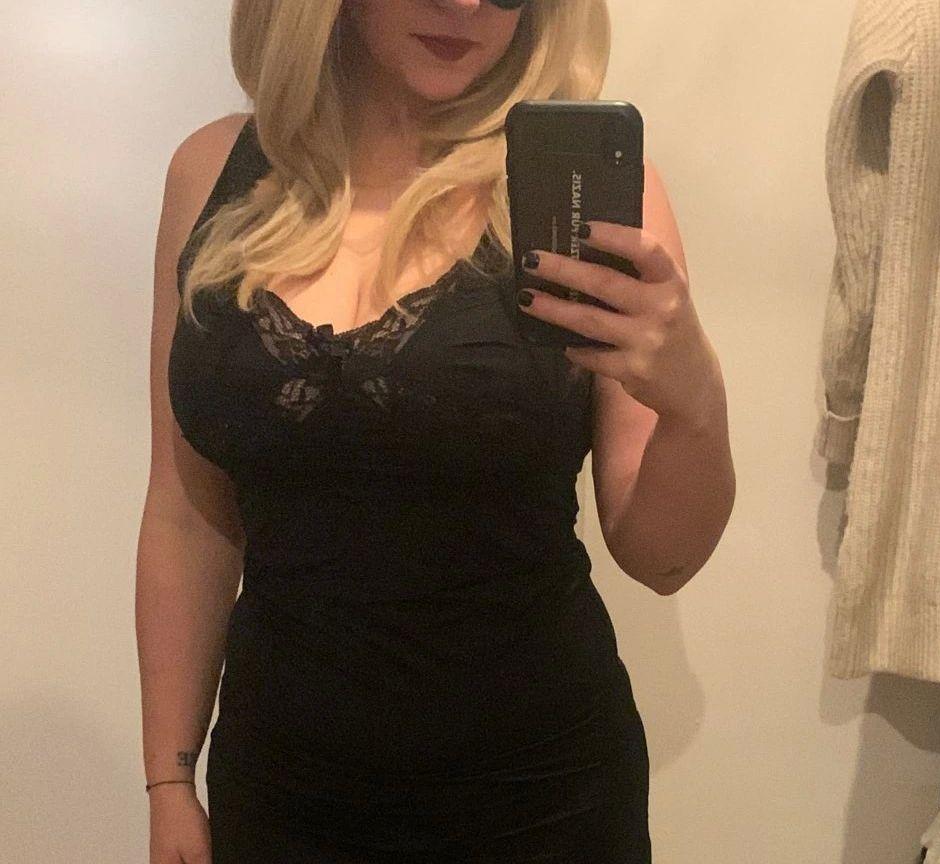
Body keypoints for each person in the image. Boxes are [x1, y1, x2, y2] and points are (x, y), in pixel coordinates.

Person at [137, 0, 734, 861]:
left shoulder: (581, 195)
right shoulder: (210, 174)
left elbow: (661, 558)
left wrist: (695, 402)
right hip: (280, 792)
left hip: (540, 803)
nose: (466, 3)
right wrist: (168, 781)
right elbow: (186, 516)